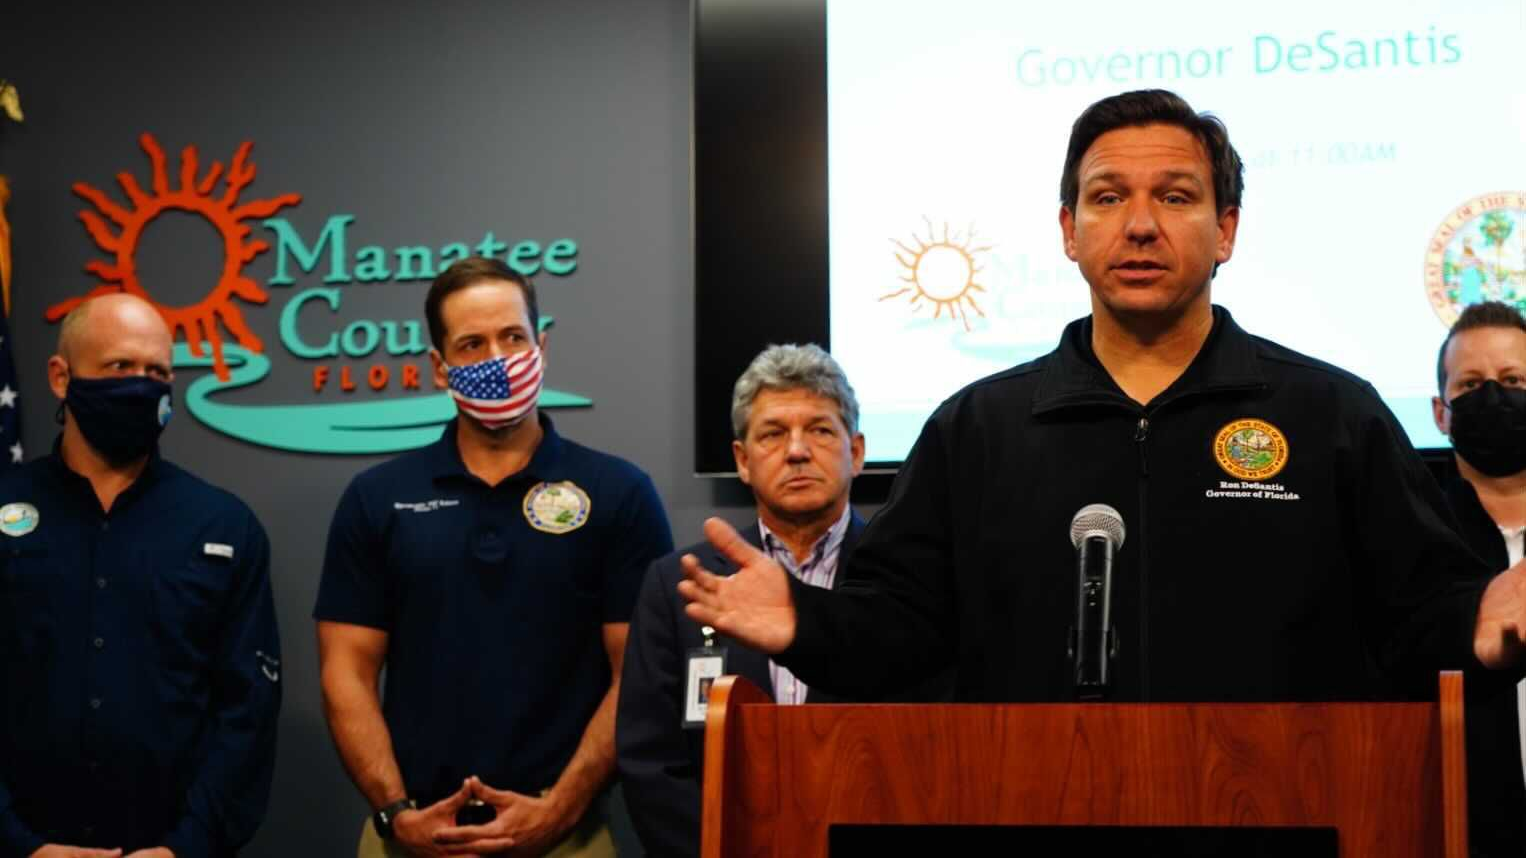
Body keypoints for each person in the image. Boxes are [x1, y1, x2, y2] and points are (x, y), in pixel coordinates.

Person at [677, 89, 1526, 707]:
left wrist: (1478, 618)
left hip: (1280, 817)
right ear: (1068, 230)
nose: (1141, 224)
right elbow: (900, 633)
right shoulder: (978, 429)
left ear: (1227, 229)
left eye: (1177, 196)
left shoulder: (1333, 415)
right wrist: (804, 624)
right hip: (1032, 818)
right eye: (1109, 197)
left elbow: (1420, 618)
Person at [315, 256, 673, 858]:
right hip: (412, 832)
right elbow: (345, 673)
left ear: (542, 346)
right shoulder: (377, 498)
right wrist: (397, 811)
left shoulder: (619, 493)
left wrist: (558, 808)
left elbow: (635, 675)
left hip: (566, 834)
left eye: (514, 337)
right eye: (472, 345)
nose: (498, 360)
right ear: (439, 367)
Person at [619, 343, 951, 858]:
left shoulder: (910, 580)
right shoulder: (678, 583)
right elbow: (649, 762)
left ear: (856, 452)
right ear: (742, 460)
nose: (797, 451)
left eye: (819, 430)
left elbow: (936, 749)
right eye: (773, 433)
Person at [0, 293, 281, 857]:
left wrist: (185, 847)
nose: (142, 384)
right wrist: (19, 845)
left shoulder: (224, 525)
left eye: (157, 371)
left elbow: (246, 712)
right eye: (119, 367)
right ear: (62, 377)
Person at [1431, 300, 1526, 857]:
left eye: (1514, 380)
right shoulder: (1411, 551)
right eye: (1471, 384)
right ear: (1442, 414)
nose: (1494, 396)